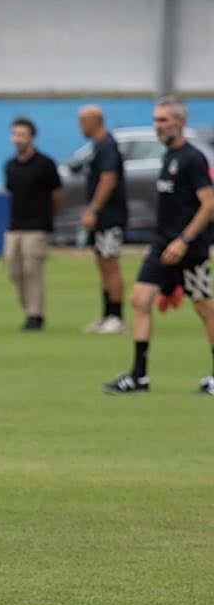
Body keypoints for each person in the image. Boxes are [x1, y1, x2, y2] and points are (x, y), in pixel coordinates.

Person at [104, 96, 214, 395]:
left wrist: (185, 240)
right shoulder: (168, 157)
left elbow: (208, 204)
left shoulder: (193, 159)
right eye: (156, 120)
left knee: (205, 308)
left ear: (180, 122)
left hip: (189, 248)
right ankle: (139, 376)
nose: (158, 126)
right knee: (140, 300)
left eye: (163, 120)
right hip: (162, 244)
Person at [2, 117, 62, 331]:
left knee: (32, 269)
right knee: (13, 269)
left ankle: (35, 315)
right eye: (15, 135)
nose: (18, 139)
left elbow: (57, 193)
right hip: (15, 225)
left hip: (37, 225)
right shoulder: (10, 166)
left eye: (22, 135)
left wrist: (48, 217)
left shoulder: (45, 164)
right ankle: (28, 308)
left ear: (32, 137)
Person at [77, 105, 128, 334]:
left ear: (94, 121)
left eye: (83, 121)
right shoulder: (97, 147)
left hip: (110, 216)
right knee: (101, 263)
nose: (80, 126)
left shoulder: (107, 145)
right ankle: (106, 313)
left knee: (111, 263)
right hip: (102, 218)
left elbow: (108, 179)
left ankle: (117, 316)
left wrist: (93, 209)